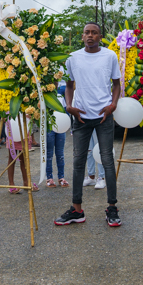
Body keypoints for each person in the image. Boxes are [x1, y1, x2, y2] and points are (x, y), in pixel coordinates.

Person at [55, 23, 122, 227]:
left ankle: (112, 208)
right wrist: (69, 106)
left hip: (103, 116)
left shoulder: (110, 56)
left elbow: (117, 84)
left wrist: (112, 105)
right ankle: (77, 210)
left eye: (94, 32)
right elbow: (68, 85)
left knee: (107, 161)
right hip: (81, 116)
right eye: (87, 33)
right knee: (78, 163)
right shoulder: (73, 58)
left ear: (100, 36)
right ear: (82, 36)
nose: (90, 35)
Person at [46, 83, 68, 188]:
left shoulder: (60, 96)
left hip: (60, 127)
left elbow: (64, 111)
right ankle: (49, 178)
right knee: (49, 154)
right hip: (49, 127)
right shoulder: (44, 95)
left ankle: (61, 177)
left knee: (60, 154)